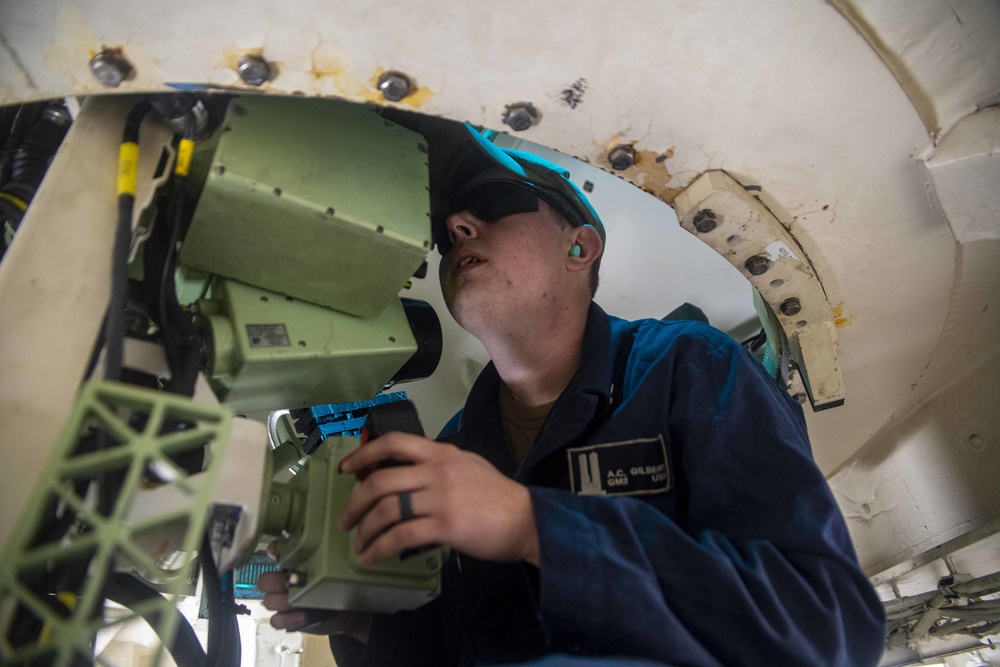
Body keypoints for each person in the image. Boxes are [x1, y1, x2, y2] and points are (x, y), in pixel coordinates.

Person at [258, 124, 887, 666]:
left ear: (580, 246)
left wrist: (533, 526)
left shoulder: (690, 368)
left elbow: (823, 627)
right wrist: (359, 619)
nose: (456, 228)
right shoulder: (452, 449)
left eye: (495, 201)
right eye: (448, 238)